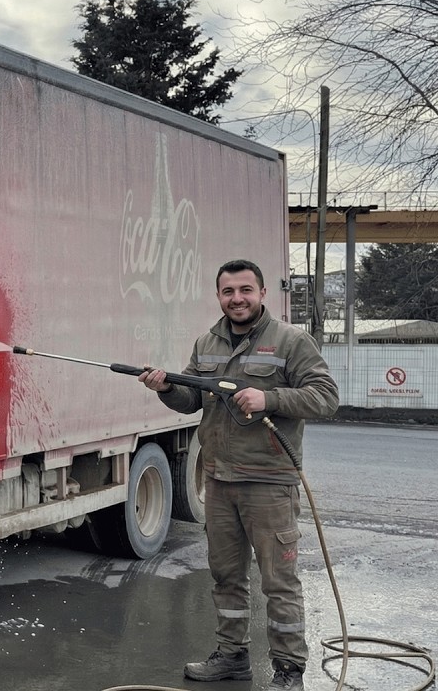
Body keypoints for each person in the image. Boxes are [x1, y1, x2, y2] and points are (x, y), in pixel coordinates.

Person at [138, 259, 339, 691]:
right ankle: (231, 658)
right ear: (219, 296)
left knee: (278, 583)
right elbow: (193, 400)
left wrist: (269, 398)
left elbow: (325, 397)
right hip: (220, 481)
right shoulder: (207, 342)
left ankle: (289, 672)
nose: (237, 299)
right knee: (226, 577)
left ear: (262, 293)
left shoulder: (291, 340)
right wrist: (167, 388)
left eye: (245, 290)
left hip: (269, 482)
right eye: (228, 292)